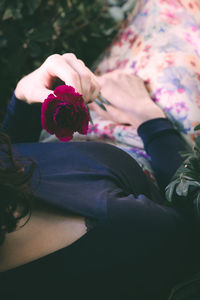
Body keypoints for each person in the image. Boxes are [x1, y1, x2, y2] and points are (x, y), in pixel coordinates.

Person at [0, 53, 197, 300]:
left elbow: (14, 152)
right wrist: (149, 118)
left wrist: (23, 100)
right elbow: (191, 228)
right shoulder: (118, 236)